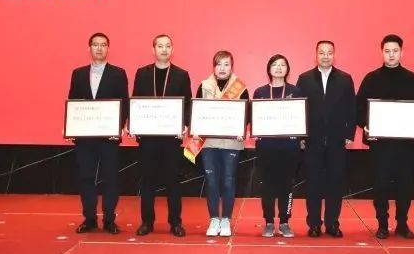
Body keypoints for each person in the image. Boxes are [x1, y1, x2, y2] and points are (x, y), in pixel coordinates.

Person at [356, 34, 414, 239]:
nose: (391, 55)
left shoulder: (412, 79)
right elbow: (359, 107)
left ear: (402, 53)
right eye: (387, 51)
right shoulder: (371, 79)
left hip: (405, 145)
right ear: (382, 53)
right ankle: (382, 223)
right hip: (380, 145)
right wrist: (366, 126)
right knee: (380, 185)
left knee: (405, 185)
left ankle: (402, 224)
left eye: (395, 51)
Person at [130, 34, 192, 237]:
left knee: (173, 182)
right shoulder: (142, 73)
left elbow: (188, 104)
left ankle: (175, 223)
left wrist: (185, 124)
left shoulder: (181, 75)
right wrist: (134, 124)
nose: (164, 49)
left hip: (171, 139)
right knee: (147, 181)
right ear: (153, 50)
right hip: (148, 139)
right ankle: (147, 222)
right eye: (160, 46)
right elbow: (135, 102)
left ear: (172, 50)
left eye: (167, 46)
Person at [67, 32, 128, 235]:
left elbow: (124, 103)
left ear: (108, 48)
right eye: (95, 44)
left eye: (103, 45)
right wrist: (71, 127)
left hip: (109, 137)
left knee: (110, 178)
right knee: (86, 177)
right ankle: (90, 219)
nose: (99, 48)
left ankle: (109, 220)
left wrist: (119, 127)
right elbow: (73, 103)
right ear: (89, 48)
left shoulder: (118, 73)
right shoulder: (78, 74)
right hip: (85, 138)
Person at [295, 41, 356, 238]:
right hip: (312, 140)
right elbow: (299, 109)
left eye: (329, 53)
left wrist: (349, 134)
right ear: (316, 55)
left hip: (337, 140)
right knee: (313, 183)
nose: (325, 56)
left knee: (335, 183)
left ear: (334, 55)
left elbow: (351, 108)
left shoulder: (345, 79)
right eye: (322, 53)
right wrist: (301, 135)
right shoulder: (304, 79)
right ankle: (314, 223)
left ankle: (332, 223)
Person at [194, 51, 249, 238]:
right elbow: (196, 111)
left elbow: (246, 113)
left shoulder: (240, 87)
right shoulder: (203, 86)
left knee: (228, 180)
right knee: (211, 181)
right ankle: (213, 219)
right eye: (219, 64)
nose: (223, 68)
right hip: (208, 142)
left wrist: (242, 129)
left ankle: (225, 219)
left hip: (231, 143)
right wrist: (195, 127)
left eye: (226, 64)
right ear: (214, 67)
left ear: (232, 67)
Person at [252, 55, 303, 238]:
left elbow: (302, 117)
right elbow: (254, 117)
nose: (279, 68)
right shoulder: (260, 92)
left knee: (286, 185)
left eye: (282, 65)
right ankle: (268, 222)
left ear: (287, 69)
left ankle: (284, 222)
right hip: (266, 147)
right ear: (269, 68)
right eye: (275, 64)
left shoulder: (295, 91)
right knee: (267, 185)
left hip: (289, 147)